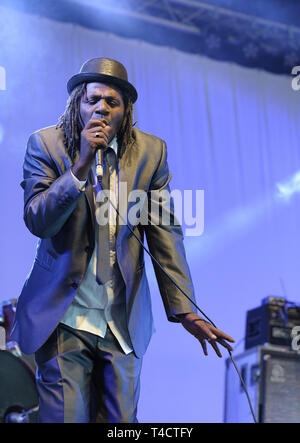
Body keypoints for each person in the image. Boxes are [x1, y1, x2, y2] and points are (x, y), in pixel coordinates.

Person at [11, 57, 234, 423]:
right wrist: (80, 167)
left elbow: (165, 233)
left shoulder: (150, 153)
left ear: (125, 111)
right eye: (93, 99)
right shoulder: (46, 144)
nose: (101, 107)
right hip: (63, 315)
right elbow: (39, 220)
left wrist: (185, 308)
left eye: (111, 102)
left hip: (121, 322)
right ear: (77, 105)